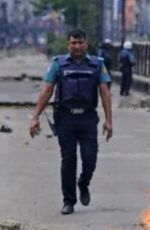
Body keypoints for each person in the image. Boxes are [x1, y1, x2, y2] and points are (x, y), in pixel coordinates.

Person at [29, 29, 113, 215]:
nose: (77, 46)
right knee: (68, 159)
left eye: (80, 42)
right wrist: (35, 117)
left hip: (88, 118)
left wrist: (109, 121)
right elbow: (47, 91)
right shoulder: (58, 64)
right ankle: (68, 201)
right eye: (73, 43)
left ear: (86, 44)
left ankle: (83, 183)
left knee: (90, 157)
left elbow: (105, 93)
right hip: (65, 119)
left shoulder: (97, 64)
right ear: (68, 45)